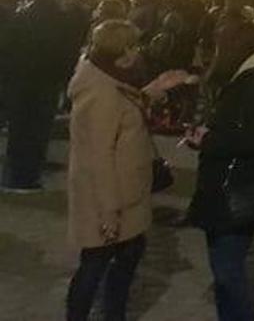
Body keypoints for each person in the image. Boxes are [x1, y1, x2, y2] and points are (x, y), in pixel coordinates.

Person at [66, 21, 193, 321]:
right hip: (109, 198)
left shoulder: (109, 76)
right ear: (124, 53)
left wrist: (156, 88)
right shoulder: (100, 92)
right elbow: (98, 156)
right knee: (95, 265)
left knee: (126, 257)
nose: (139, 52)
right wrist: (109, 212)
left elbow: (124, 104)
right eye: (134, 46)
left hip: (126, 195)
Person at [185, 22, 254, 321]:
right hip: (222, 186)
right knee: (222, 270)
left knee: (229, 271)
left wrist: (209, 139)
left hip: (236, 189)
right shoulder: (241, 78)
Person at [0, 0, 78, 192]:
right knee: (39, 130)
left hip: (20, 80)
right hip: (47, 82)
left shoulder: (21, 17)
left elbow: (5, 49)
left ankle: (13, 174)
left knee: (19, 129)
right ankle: (30, 175)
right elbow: (68, 54)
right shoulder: (64, 21)